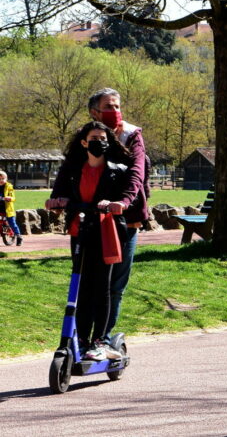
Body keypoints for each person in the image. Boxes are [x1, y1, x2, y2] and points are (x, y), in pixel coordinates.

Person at [46, 121, 135, 361]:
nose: (99, 142)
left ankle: (101, 340)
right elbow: (59, 195)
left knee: (102, 287)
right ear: (84, 142)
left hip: (106, 230)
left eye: (103, 138)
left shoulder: (118, 170)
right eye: (94, 138)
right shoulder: (73, 170)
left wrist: (118, 204)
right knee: (81, 286)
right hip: (80, 229)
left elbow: (128, 196)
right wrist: (55, 203)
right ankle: (83, 338)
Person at [87, 88, 150, 339]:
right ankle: (83, 336)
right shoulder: (89, 135)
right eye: (109, 107)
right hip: (93, 218)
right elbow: (73, 169)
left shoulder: (131, 135)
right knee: (89, 283)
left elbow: (137, 173)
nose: (115, 112)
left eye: (117, 106)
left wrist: (124, 201)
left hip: (126, 218)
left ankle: (102, 337)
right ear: (94, 112)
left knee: (114, 286)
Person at [0, 170, 22, 246]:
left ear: (6, 179)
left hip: (8, 209)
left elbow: (13, 197)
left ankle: (18, 236)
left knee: (12, 223)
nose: (1, 180)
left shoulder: (9, 186)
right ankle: (3, 231)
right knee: (1, 222)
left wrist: (8, 198)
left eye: (3, 179)